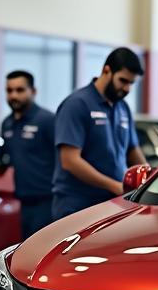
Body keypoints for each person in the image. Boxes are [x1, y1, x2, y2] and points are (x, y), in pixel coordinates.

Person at [52, 47, 145, 220]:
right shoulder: (77, 104)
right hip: (77, 205)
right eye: (123, 81)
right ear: (106, 71)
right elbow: (70, 161)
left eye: (132, 83)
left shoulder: (122, 107)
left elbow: (133, 150)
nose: (127, 89)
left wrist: (149, 180)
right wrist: (115, 186)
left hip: (112, 203)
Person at [1, 70, 56, 239]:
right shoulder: (7, 123)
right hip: (20, 203)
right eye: (9, 91)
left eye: (20, 90)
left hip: (47, 202)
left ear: (33, 91)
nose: (13, 95)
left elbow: (64, 161)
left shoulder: (47, 120)